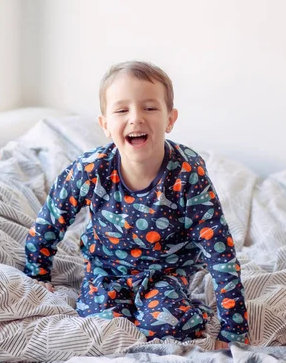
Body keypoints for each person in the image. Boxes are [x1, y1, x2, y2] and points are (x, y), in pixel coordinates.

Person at [24, 61, 249, 348]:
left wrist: (234, 329)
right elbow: (52, 218)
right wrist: (37, 272)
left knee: (171, 329)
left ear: (170, 119)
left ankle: (183, 311)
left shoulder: (187, 172)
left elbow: (219, 251)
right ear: (105, 124)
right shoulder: (92, 169)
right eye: (121, 110)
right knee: (100, 329)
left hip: (167, 272)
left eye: (150, 108)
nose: (135, 118)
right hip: (106, 269)